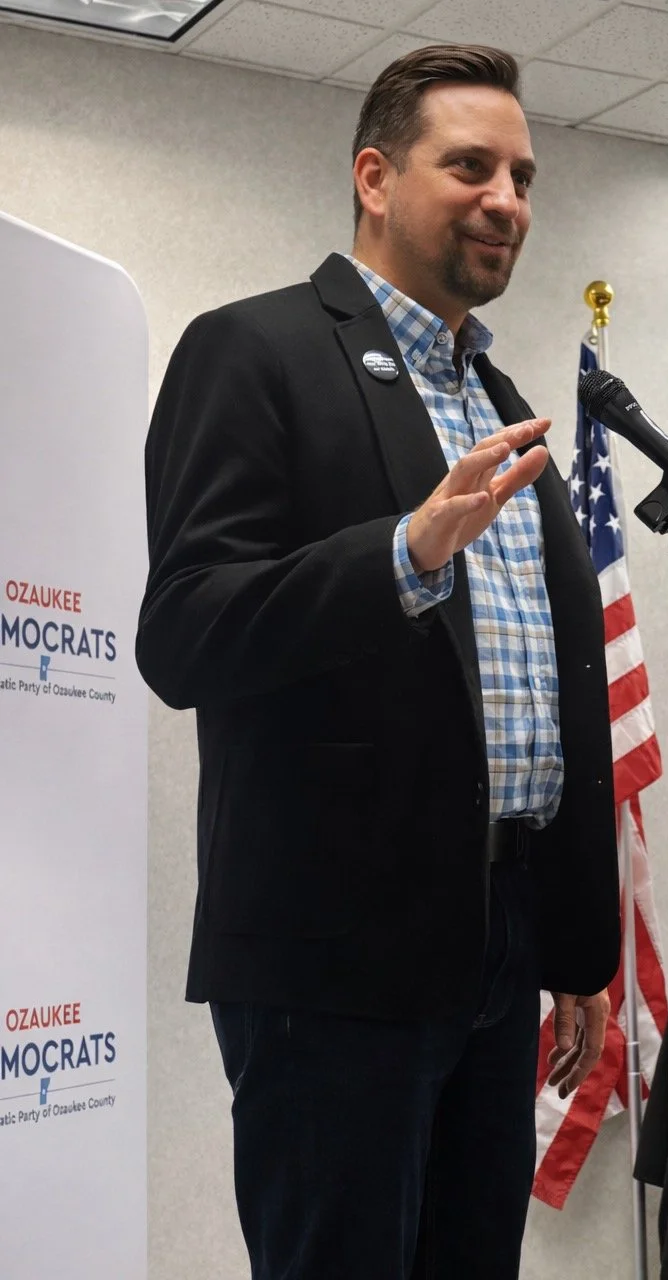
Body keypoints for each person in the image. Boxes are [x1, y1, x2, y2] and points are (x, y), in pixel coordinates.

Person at [135, 44, 620, 1280]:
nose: (506, 197)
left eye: (522, 174)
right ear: (373, 176)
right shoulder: (255, 350)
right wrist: (405, 550)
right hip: (335, 950)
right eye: (470, 166)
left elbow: (548, 691)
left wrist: (572, 951)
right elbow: (185, 628)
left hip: (500, 936)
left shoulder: (496, 392)